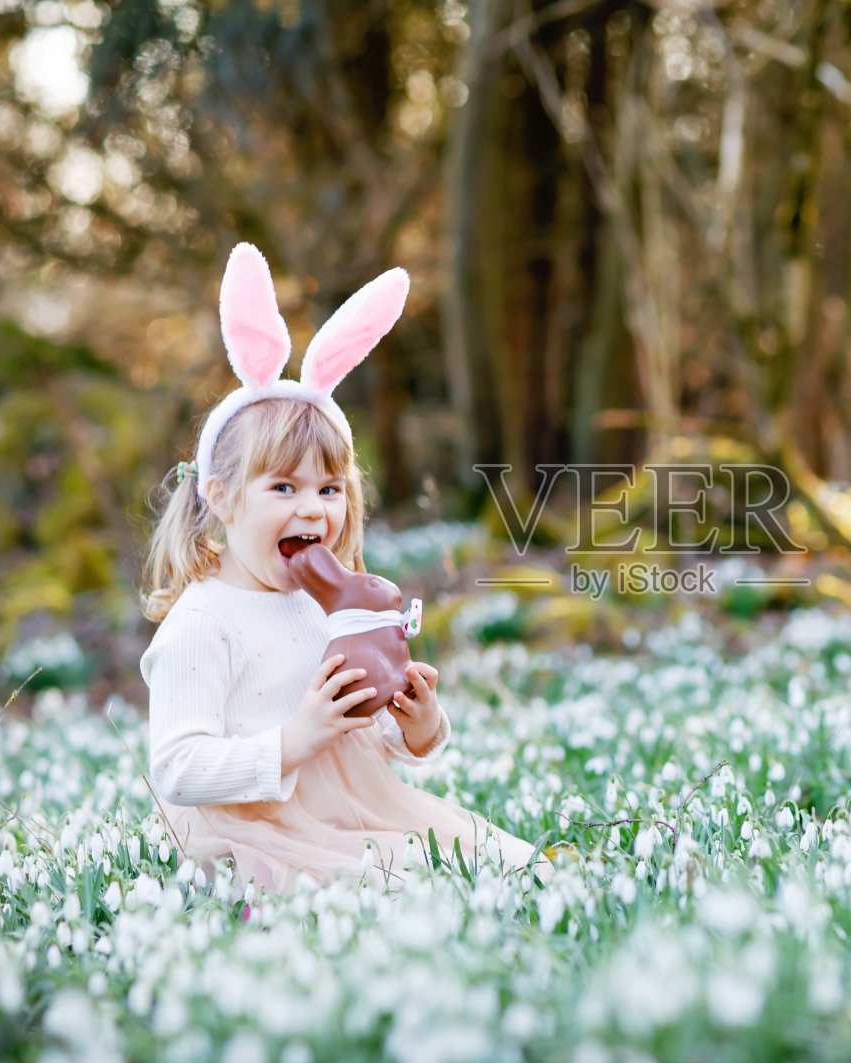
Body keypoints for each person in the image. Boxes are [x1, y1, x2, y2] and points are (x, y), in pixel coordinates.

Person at [137, 243, 548, 893]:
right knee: (397, 886)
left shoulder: (322, 605)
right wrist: (294, 740)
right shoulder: (203, 621)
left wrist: (415, 722)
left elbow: (358, 734)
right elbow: (177, 767)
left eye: (329, 489)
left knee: (513, 866)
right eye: (283, 487)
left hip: (355, 809)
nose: (313, 508)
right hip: (258, 828)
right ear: (222, 497)